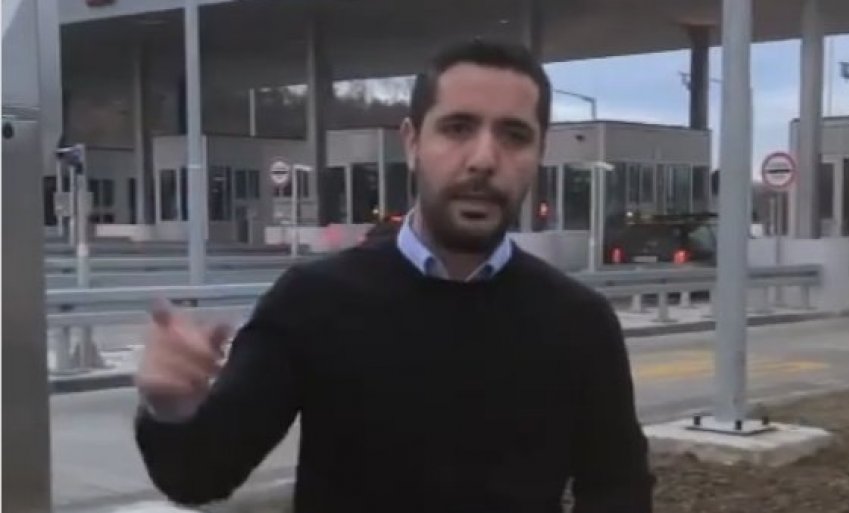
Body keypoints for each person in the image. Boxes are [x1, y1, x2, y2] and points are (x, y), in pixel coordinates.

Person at [134, 39, 654, 513]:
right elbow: (199, 476)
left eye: (514, 135)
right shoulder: (312, 302)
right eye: (457, 128)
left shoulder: (579, 322)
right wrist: (171, 409)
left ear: (539, 154)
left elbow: (618, 489)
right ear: (412, 142)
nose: (483, 159)